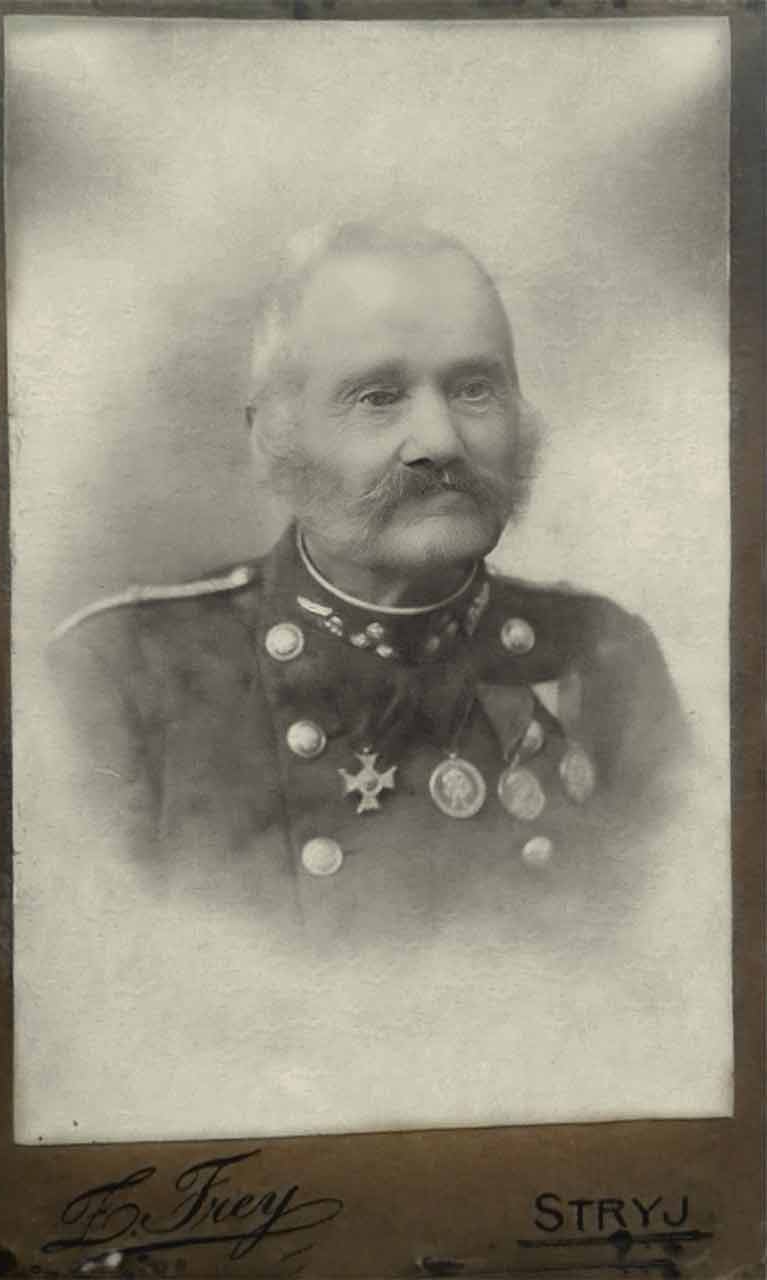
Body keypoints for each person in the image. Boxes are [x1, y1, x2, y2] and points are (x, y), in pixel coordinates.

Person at [51, 221, 688, 943]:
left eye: (474, 389)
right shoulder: (121, 674)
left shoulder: (603, 656)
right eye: (378, 397)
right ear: (272, 437)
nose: (440, 442)